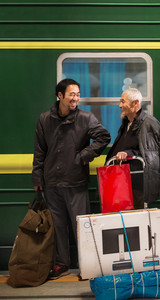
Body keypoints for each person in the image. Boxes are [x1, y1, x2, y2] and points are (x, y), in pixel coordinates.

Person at [32, 78, 111, 279]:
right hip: (51, 182)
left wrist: (84, 157)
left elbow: (103, 137)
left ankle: (87, 265)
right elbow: (39, 150)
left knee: (81, 226)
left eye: (77, 94)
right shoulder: (44, 119)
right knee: (57, 227)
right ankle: (61, 264)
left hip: (75, 181)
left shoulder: (85, 118)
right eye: (71, 94)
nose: (75, 98)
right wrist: (37, 178)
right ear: (60, 96)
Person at [105, 88, 160, 208]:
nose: (120, 105)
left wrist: (128, 153)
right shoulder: (126, 123)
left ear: (135, 103)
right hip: (124, 180)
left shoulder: (149, 124)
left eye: (123, 101)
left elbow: (152, 154)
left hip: (139, 182)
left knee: (137, 219)